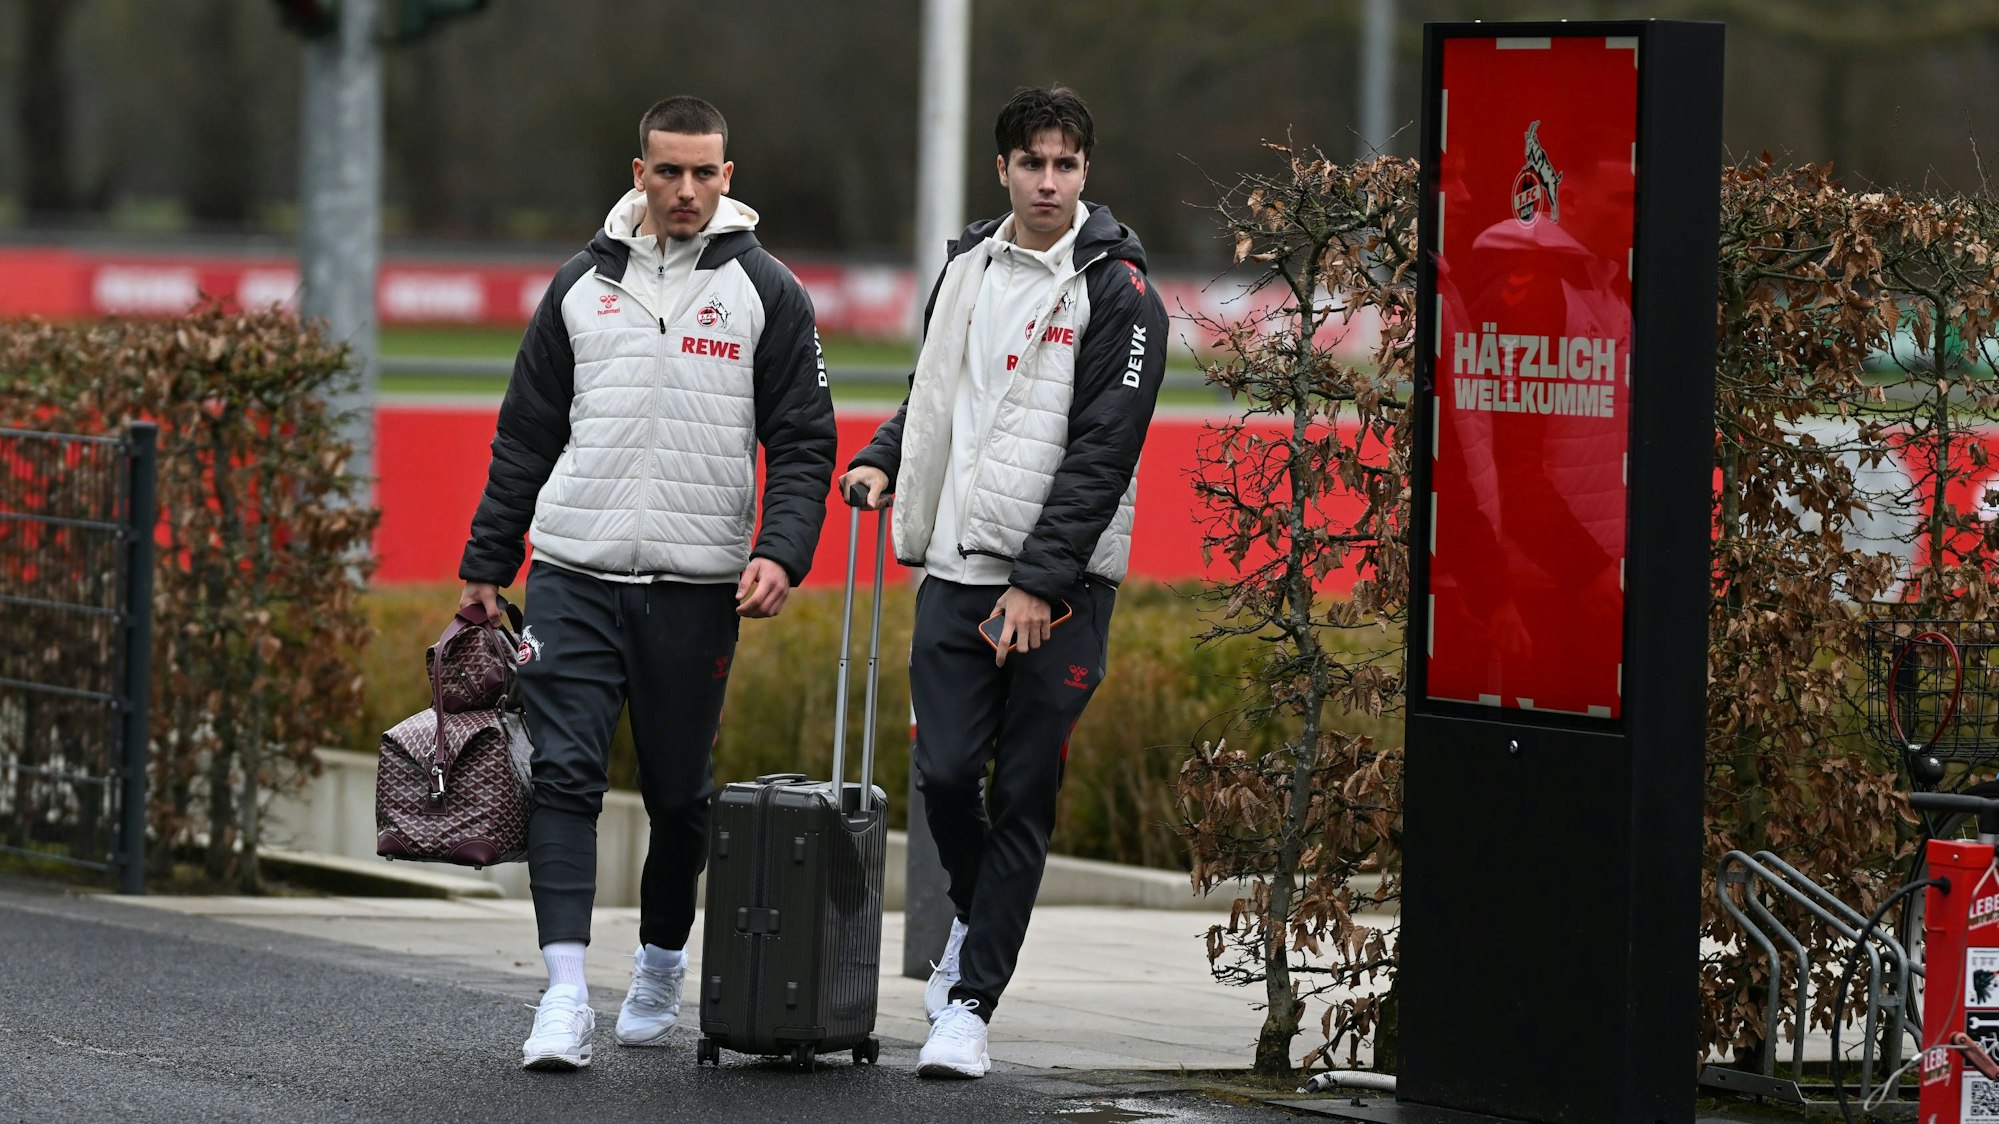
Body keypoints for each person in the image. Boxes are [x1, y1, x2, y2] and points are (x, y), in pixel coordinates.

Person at [457, 95, 835, 1070]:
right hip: (573, 571)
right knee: (566, 777)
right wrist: (486, 563)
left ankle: (662, 960)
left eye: (703, 172)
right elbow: (525, 433)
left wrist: (780, 548)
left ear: (728, 177)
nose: (685, 189)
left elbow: (802, 441)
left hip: (697, 586)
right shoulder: (581, 283)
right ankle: (565, 993)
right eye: (667, 170)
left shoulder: (769, 292)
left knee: (678, 794)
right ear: (639, 174)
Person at [840, 85, 1167, 1079]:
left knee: (1022, 791)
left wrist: (1037, 583)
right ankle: (978, 930)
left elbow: (1104, 451)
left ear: (1086, 171)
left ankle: (969, 1003)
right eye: (1032, 162)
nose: (1049, 181)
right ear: (1002, 169)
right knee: (943, 776)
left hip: (1059, 589)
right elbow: (936, 388)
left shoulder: (1120, 289)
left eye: (1066, 163)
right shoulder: (965, 265)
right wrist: (886, 454)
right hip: (952, 563)